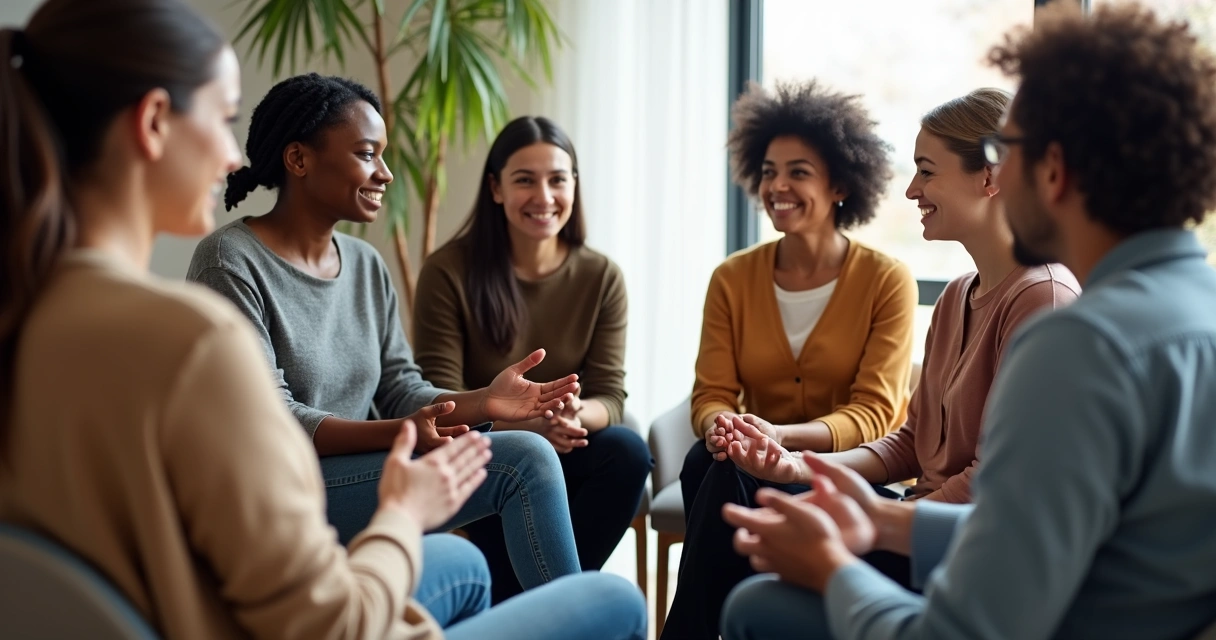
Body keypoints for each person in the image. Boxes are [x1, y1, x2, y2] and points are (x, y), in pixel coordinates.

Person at [0, 2, 646, 639]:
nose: (233, 155)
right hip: (308, 607)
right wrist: (402, 509)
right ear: (154, 122)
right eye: (225, 119)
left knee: (465, 562)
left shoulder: (36, 314)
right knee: (613, 601)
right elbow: (326, 618)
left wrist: (482, 402)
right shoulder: (198, 327)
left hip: (236, 596)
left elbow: (400, 385)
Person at [720, 4, 1216, 639]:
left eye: (1006, 153)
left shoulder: (1081, 344)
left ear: (1054, 170)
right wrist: (885, 522)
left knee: (754, 609)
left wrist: (830, 568)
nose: (998, 176)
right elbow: (1042, 532)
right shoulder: (1186, 313)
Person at [187, 74, 587, 600]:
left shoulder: (365, 265)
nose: (386, 173)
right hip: (277, 488)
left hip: (359, 474)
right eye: (367, 154)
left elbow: (401, 387)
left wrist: (481, 401)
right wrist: (400, 432)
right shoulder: (230, 260)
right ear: (299, 159)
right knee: (526, 459)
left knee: (498, 505)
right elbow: (272, 415)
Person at [723, 88, 1080, 503]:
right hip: (917, 517)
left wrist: (879, 525)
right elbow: (912, 444)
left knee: (774, 537)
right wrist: (796, 465)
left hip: (961, 544)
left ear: (990, 177)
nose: (912, 190)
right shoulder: (955, 296)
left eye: (927, 172)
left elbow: (995, 478)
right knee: (737, 482)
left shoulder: (1043, 298)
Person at [662, 80, 918, 639]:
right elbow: (710, 394)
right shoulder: (732, 278)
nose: (778, 186)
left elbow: (876, 413)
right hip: (742, 467)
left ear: (841, 185)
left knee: (713, 471)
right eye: (770, 171)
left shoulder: (886, 281)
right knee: (714, 462)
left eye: (798, 171)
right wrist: (724, 429)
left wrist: (778, 437)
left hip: (846, 479)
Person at [413, 115, 652, 603]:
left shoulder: (601, 275)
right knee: (519, 465)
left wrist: (568, 412)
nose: (544, 196)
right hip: (486, 451)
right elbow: (438, 399)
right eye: (525, 180)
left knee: (627, 452)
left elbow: (610, 394)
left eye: (557, 179)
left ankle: (532, 611)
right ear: (496, 189)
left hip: (567, 443)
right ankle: (555, 613)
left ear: (574, 186)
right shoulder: (448, 272)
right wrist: (520, 427)